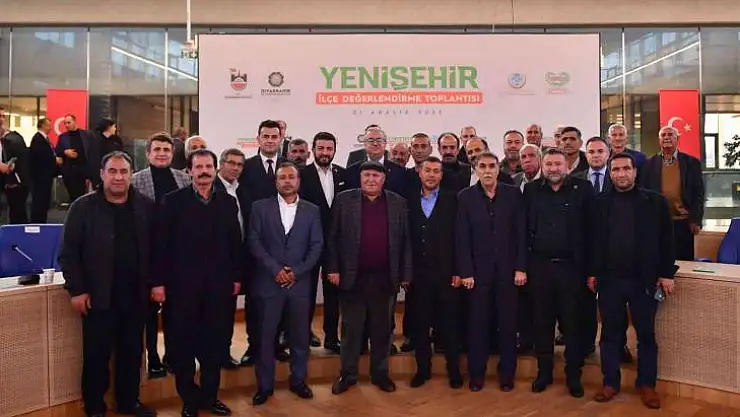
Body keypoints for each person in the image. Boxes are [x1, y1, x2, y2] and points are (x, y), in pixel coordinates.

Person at [58, 151, 156, 417]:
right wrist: (77, 290)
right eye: (112, 171)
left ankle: (128, 402)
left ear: (131, 175)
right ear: (102, 174)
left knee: (132, 353)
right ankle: (94, 406)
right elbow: (68, 253)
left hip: (135, 295)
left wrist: (155, 285)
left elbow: (156, 250)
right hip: (98, 296)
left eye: (124, 171)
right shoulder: (82, 207)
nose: (118, 177)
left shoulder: (146, 206)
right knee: (96, 355)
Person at [152, 149, 243, 417]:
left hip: (218, 290)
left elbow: (235, 243)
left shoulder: (227, 202)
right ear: (189, 171)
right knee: (182, 348)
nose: (204, 172)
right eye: (199, 167)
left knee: (214, 347)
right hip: (181, 290)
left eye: (208, 167)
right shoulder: (172, 202)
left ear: (215, 170)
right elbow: (160, 245)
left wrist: (237, 277)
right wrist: (157, 283)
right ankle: (189, 400)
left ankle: (210, 398)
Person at [590, 152, 676, 410]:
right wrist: (592, 272)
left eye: (626, 169)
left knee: (646, 335)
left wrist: (666, 273)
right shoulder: (599, 203)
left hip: (644, 281)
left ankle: (647, 384)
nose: (621, 174)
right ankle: (610, 382)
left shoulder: (655, 202)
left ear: (635, 172)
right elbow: (593, 242)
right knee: (609, 334)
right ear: (610, 173)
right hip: (610, 281)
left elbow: (667, 241)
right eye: (616, 170)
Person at [327, 161, 412, 395]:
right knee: (351, 330)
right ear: (360, 178)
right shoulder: (344, 200)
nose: (371, 180)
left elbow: (405, 241)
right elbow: (332, 238)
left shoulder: (398, 203)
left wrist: (405, 274)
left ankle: (380, 374)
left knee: (382, 330)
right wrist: (333, 269)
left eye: (376, 176)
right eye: (367, 175)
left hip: (385, 278)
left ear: (383, 179)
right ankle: (348, 375)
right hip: (353, 277)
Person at [248, 162, 324, 406]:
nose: (287, 181)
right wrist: (276, 270)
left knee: (300, 337)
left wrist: (296, 272)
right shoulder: (260, 207)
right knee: (265, 338)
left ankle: (298, 381)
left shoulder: (312, 210)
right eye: (283, 178)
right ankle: (264, 386)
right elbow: (254, 241)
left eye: (292, 177)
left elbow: (317, 245)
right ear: (276, 182)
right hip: (268, 284)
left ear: (299, 181)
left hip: (299, 286)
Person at [523, 148, 594, 397]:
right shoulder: (531, 190)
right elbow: (523, 230)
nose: (553, 169)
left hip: (572, 269)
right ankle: (544, 373)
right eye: (549, 164)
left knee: (572, 325)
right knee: (542, 323)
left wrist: (591, 270)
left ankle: (574, 376)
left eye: (558, 164)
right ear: (542, 166)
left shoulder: (583, 189)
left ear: (567, 166)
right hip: (539, 268)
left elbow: (592, 232)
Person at [456, 152, 526, 392]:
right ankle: (477, 375)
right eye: (482, 166)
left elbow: (521, 233)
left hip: (509, 272)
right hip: (477, 275)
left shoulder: (513, 194)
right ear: (475, 170)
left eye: (491, 166)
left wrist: (521, 267)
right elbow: (462, 237)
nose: (487, 170)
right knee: (478, 326)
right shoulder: (465, 197)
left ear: (498, 169)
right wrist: (466, 271)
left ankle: (507, 375)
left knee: (508, 326)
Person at [131, 132, 191, 378]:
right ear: (148, 154)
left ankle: (173, 356)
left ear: (172, 153)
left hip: (178, 256)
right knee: (148, 312)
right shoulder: (135, 180)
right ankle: (153, 358)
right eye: (156, 149)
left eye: (166, 150)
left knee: (176, 311)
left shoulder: (184, 179)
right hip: (146, 254)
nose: (162, 154)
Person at [407, 156, 462, 389]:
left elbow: (460, 237)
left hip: (447, 274)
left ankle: (454, 371)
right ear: (419, 173)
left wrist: (459, 270)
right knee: (420, 326)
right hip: (418, 276)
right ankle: (423, 370)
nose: (431, 175)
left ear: (441, 175)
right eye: (427, 170)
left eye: (436, 171)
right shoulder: (408, 200)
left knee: (450, 326)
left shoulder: (454, 199)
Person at [298, 132, 346, 353]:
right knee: (305, 293)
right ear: (313, 149)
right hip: (308, 244)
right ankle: (303, 335)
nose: (325, 153)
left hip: (336, 245)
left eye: (329, 149)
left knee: (333, 294)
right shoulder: (301, 174)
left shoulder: (343, 174)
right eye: (321, 148)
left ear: (334, 150)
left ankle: (332, 337)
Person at [641, 126, 705, 261]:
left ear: (678, 139)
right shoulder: (648, 164)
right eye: (663, 135)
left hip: (683, 223)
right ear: (659, 140)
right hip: (658, 222)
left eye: (670, 135)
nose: (666, 138)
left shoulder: (692, 163)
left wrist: (696, 220)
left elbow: (698, 193)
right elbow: (643, 194)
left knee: (684, 261)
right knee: (659, 260)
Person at [29, 117, 59, 223]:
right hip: (40, 177)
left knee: (44, 200)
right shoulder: (38, 139)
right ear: (42, 126)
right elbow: (40, 157)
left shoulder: (45, 139)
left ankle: (42, 220)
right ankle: (37, 222)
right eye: (48, 125)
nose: (50, 128)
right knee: (39, 200)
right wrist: (54, 159)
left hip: (46, 176)